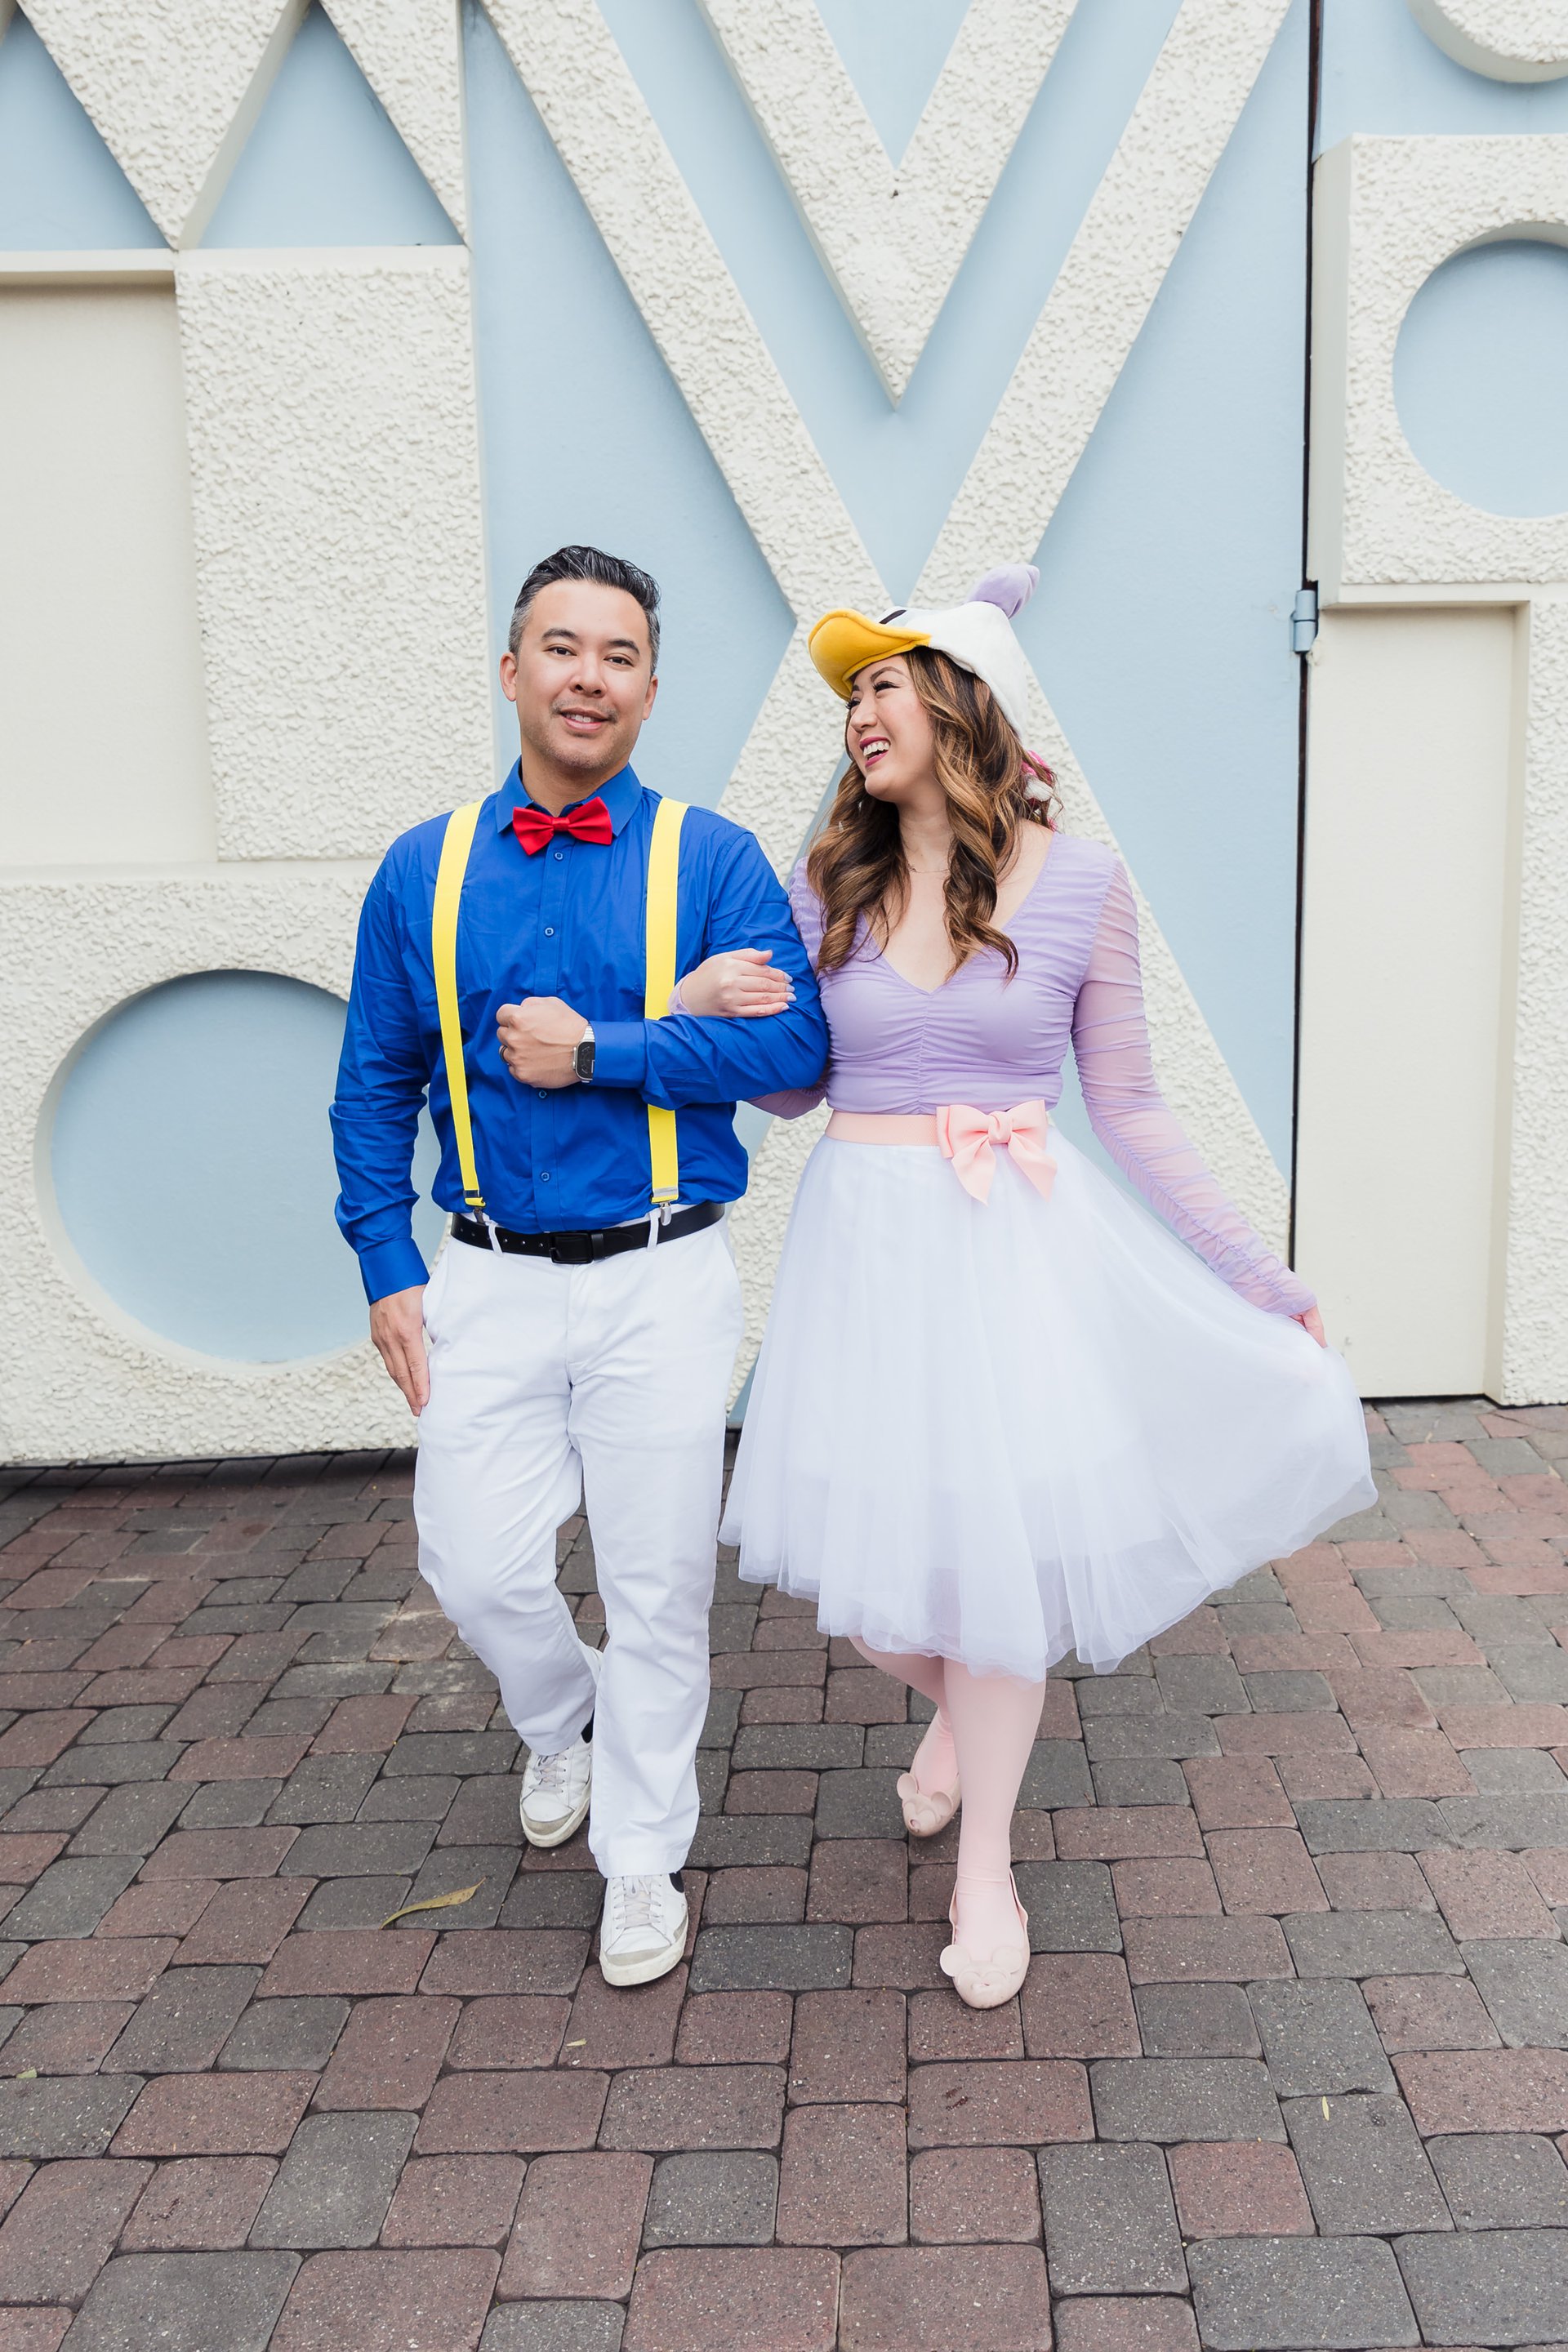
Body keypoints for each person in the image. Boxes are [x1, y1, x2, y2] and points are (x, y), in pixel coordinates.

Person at [675, 564, 1374, 2008]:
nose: (858, 714)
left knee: (991, 1569)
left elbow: (1133, 1106)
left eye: (883, 684)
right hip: (864, 1253)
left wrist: (1260, 1275)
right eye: (851, 695)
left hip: (1009, 1254)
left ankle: (985, 1861)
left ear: (962, 701)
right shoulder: (827, 880)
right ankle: (960, 1718)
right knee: (876, 1600)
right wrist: (702, 1016)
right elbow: (799, 1088)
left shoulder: (1086, 884)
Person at [331, 544, 828, 1988]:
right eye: (563, 648)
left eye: (619, 656)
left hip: (661, 1272)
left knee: (658, 1583)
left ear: (651, 690)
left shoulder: (711, 859)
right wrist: (384, 1259)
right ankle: (563, 1720)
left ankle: (642, 1857)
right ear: (512, 671)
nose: (589, 677)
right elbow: (374, 1080)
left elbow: (799, 1050)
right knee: (472, 1565)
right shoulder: (423, 869)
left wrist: (610, 1045)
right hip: (482, 1271)